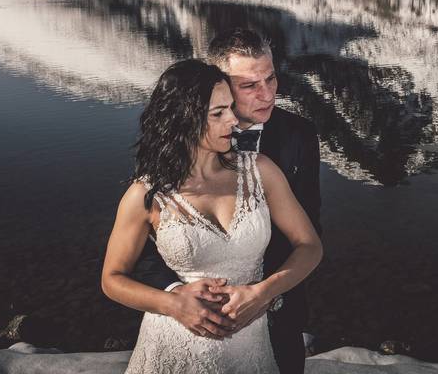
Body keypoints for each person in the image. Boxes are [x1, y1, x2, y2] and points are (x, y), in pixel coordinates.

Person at [102, 59, 322, 373]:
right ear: (183, 119)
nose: (233, 120)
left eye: (231, 107)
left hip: (250, 350)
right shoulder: (145, 195)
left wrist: (264, 293)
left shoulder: (260, 171)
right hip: (173, 348)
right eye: (218, 113)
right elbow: (112, 279)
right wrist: (174, 303)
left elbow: (310, 246)